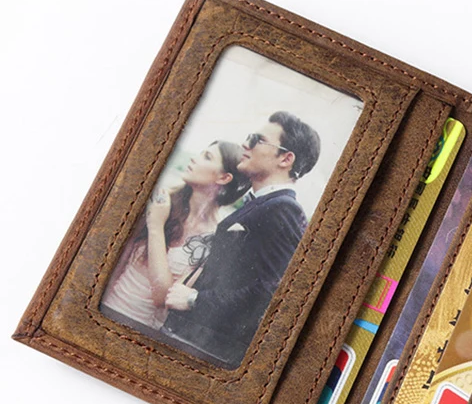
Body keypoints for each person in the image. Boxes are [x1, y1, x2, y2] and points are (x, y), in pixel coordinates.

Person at [163, 111, 321, 367]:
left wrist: (194, 300)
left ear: (285, 158)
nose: (245, 144)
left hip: (208, 350)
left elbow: (271, 291)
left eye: (257, 139)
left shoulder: (284, 209)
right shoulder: (264, 203)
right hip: (194, 340)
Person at [102, 141, 249, 330]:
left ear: (224, 177)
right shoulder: (162, 202)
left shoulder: (216, 239)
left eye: (207, 157)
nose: (194, 159)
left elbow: (163, 298)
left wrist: (156, 226)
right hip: (107, 310)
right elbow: (116, 265)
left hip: (141, 330)